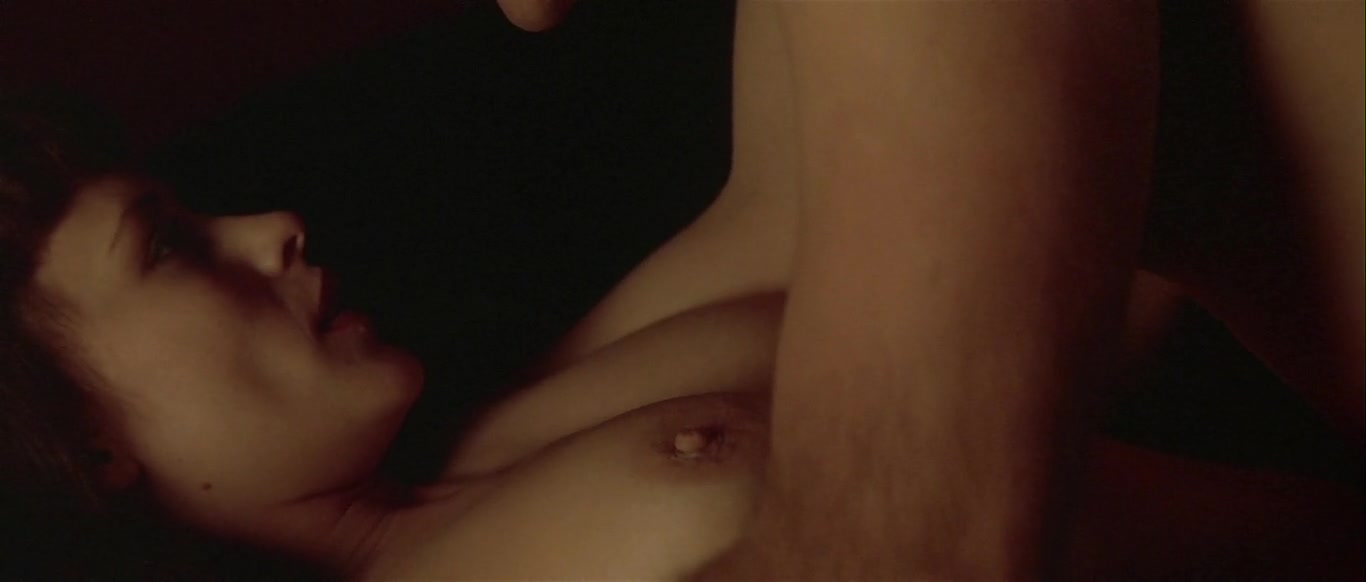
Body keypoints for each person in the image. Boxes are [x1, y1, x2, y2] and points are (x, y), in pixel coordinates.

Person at [2, 2, 1360, 581]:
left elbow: (800, 206)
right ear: (84, 452)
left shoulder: (517, 424)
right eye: (167, 249)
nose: (271, 228)